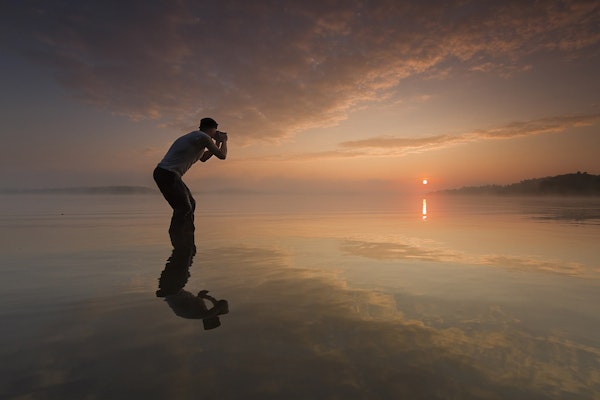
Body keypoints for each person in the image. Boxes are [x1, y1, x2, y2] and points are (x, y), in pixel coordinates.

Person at [153, 117, 228, 238]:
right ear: (212, 129)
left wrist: (217, 142)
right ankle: (177, 236)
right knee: (183, 207)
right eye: (215, 131)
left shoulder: (198, 138)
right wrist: (224, 141)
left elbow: (203, 158)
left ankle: (187, 234)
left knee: (191, 204)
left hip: (169, 174)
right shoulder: (202, 137)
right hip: (167, 173)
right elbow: (222, 155)